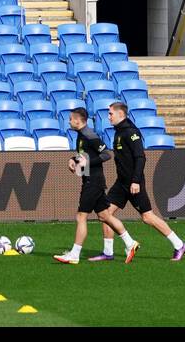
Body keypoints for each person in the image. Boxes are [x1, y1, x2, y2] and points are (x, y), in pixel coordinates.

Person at [96, 102, 185, 261]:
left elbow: (140, 157)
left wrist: (136, 181)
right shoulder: (118, 132)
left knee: (147, 217)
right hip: (121, 183)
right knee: (105, 214)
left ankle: (179, 245)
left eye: (111, 113)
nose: (108, 116)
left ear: (121, 115)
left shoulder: (131, 132)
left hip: (133, 183)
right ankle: (108, 252)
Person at [54, 107, 138, 264]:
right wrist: (73, 160)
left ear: (78, 120)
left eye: (71, 118)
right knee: (105, 216)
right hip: (92, 181)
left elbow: (107, 154)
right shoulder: (81, 135)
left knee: (81, 216)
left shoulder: (89, 135)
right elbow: (86, 155)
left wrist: (87, 162)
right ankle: (130, 243)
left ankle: (74, 254)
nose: (69, 121)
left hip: (93, 182)